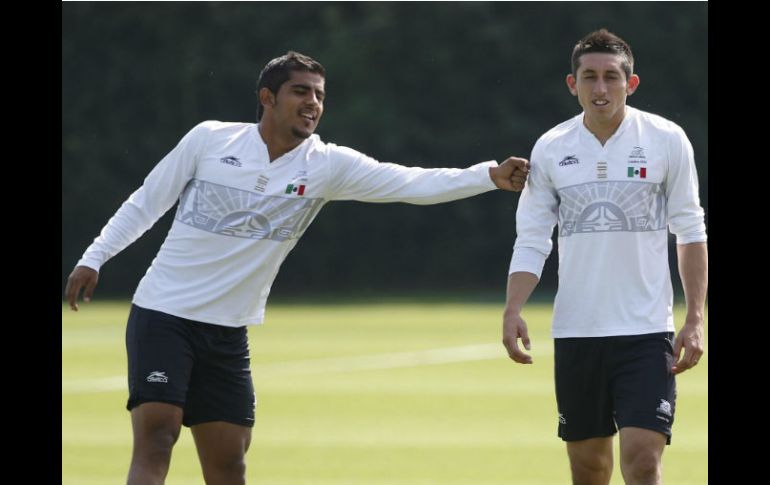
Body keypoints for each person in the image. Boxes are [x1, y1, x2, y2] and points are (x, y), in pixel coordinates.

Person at [65, 51, 529, 485]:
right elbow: (148, 200)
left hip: (228, 331)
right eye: (301, 92)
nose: (313, 103)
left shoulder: (326, 165)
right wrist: (94, 255)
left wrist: (487, 175)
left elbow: (409, 181)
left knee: (229, 465)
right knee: (158, 436)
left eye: (319, 95)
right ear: (268, 98)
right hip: (163, 315)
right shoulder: (210, 139)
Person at [501, 29, 707, 485]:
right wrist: (513, 308)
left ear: (630, 84)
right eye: (589, 77)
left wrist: (695, 318)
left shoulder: (666, 139)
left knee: (642, 460)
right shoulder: (551, 147)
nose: (600, 89)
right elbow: (533, 237)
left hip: (647, 330)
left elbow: (690, 231)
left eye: (611, 77)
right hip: (578, 330)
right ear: (571, 84)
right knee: (589, 469)